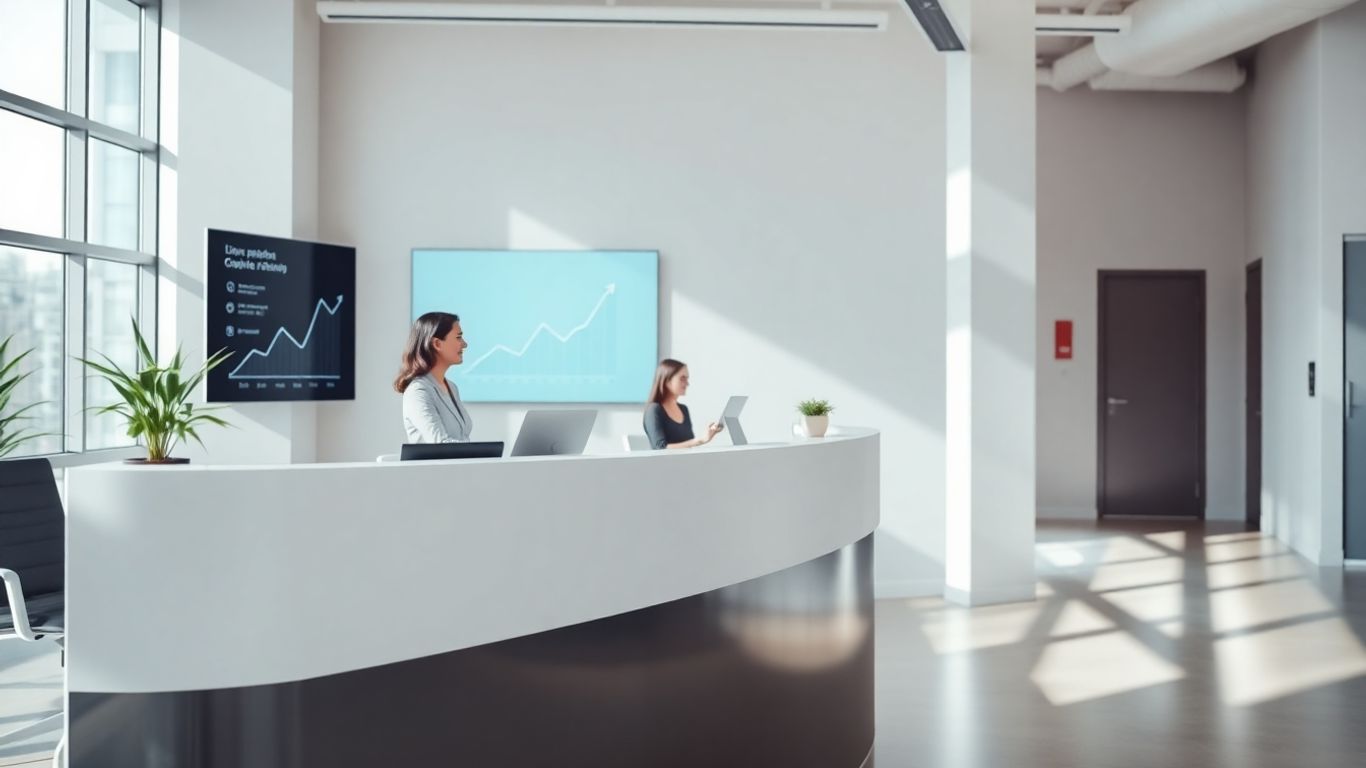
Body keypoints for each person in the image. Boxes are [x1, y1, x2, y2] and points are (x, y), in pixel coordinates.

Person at [394, 312, 473, 443]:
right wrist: (480, 453)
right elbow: (439, 443)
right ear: (437, 344)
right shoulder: (418, 391)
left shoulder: (452, 388)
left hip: (458, 463)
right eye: (458, 338)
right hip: (435, 464)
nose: (464, 344)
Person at [643, 358, 722, 450]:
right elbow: (661, 448)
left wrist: (704, 437)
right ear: (667, 381)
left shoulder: (684, 409)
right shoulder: (654, 410)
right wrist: (700, 440)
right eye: (682, 378)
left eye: (687, 378)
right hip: (665, 464)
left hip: (686, 463)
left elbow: (689, 446)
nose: (687, 383)